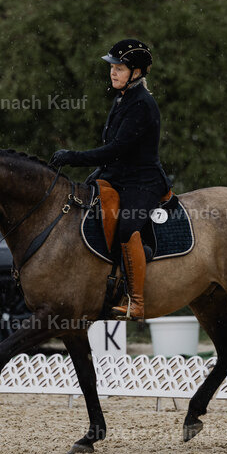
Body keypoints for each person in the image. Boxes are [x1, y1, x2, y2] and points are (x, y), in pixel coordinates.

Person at [50, 39, 171, 320]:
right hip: (118, 177)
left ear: (137, 72)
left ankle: (137, 302)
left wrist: (73, 156)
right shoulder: (124, 98)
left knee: (127, 227)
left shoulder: (142, 104)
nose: (113, 72)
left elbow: (116, 149)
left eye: (119, 68)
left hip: (143, 181)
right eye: (112, 67)